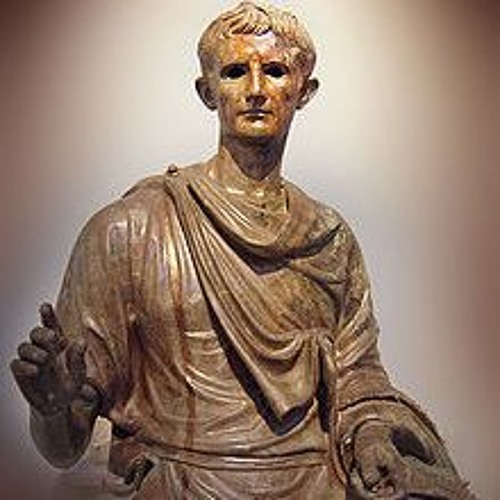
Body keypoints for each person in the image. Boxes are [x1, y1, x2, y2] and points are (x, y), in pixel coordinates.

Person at [11, 2, 474, 498]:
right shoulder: (130, 230)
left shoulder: (330, 239)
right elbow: (63, 449)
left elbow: (359, 379)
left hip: (316, 483)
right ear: (207, 91)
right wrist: (52, 409)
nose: (255, 89)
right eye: (234, 72)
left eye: (274, 71)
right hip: (181, 484)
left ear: (304, 91)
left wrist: (371, 436)